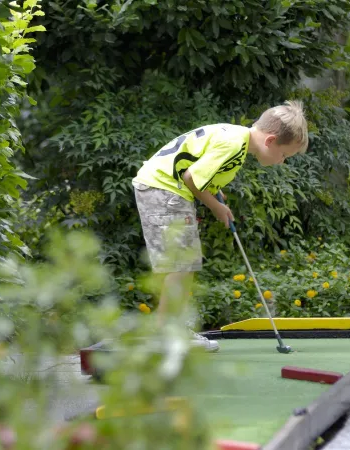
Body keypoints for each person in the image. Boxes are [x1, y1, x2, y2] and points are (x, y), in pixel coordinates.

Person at [132, 100, 309, 351]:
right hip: (163, 188)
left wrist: (215, 191)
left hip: (164, 188)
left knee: (185, 264)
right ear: (270, 141)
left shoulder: (237, 138)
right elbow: (191, 177)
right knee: (180, 264)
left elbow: (202, 168)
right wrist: (215, 207)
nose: (281, 162)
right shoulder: (234, 144)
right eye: (284, 155)